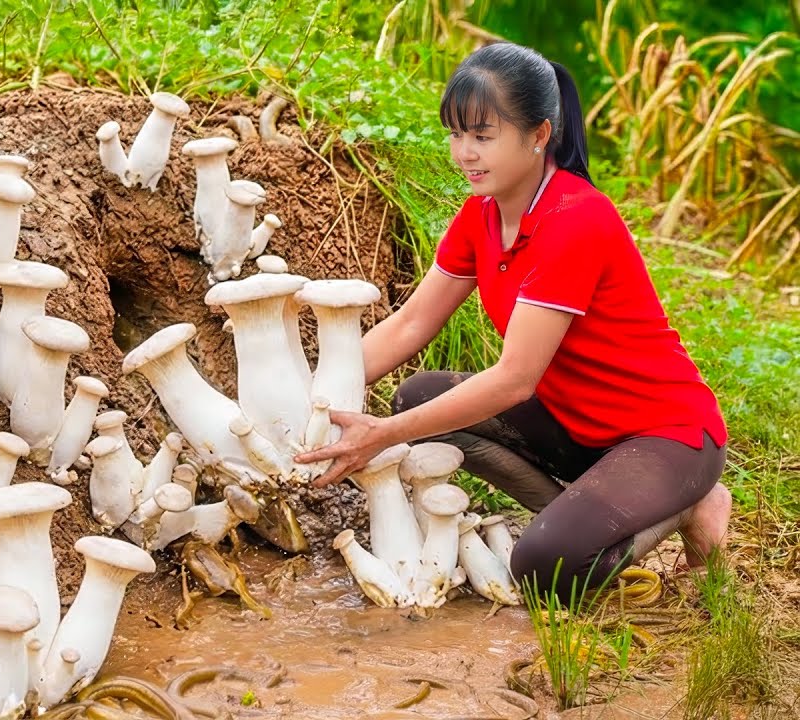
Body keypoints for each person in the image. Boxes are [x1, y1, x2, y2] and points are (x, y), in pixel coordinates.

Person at [294, 42, 731, 600]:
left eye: (483, 136)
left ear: (539, 134)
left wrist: (384, 435)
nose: (464, 153)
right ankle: (575, 516)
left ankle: (690, 501)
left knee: (546, 570)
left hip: (663, 435)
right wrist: (312, 401)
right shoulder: (482, 213)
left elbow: (514, 380)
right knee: (418, 399)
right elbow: (409, 326)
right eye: (456, 134)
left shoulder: (575, 219)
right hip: (575, 424)